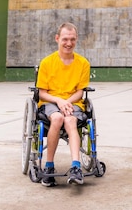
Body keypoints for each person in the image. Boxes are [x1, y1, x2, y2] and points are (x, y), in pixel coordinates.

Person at [36, 22, 91, 187]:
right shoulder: (47, 62)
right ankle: (49, 166)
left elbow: (80, 92)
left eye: (72, 39)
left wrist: (67, 101)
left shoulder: (83, 63)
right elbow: (42, 93)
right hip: (51, 102)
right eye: (65, 39)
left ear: (76, 39)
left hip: (73, 102)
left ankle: (76, 166)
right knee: (58, 118)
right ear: (57, 39)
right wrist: (59, 101)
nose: (69, 43)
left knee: (70, 120)